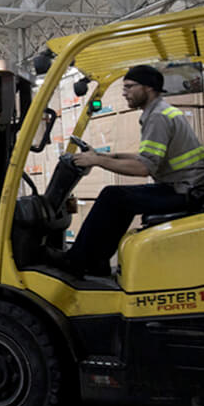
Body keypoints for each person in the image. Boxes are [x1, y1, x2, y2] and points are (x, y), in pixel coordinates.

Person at [51, 64, 204, 278]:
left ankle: (76, 260)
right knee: (120, 199)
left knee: (113, 196)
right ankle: (96, 262)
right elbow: (147, 158)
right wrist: (106, 156)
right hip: (184, 188)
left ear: (148, 88)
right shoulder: (160, 112)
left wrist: (97, 161)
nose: (124, 92)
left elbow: (143, 168)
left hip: (184, 192)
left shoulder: (158, 117)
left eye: (129, 87)